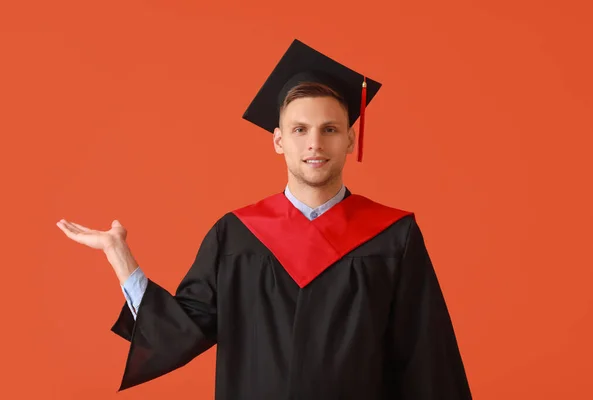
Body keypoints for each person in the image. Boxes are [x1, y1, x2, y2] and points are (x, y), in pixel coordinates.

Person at [56, 39, 472, 399]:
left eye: (329, 129)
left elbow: (426, 359)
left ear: (350, 139)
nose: (314, 143)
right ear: (278, 140)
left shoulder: (392, 237)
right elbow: (181, 330)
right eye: (299, 130)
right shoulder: (237, 235)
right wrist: (120, 257)